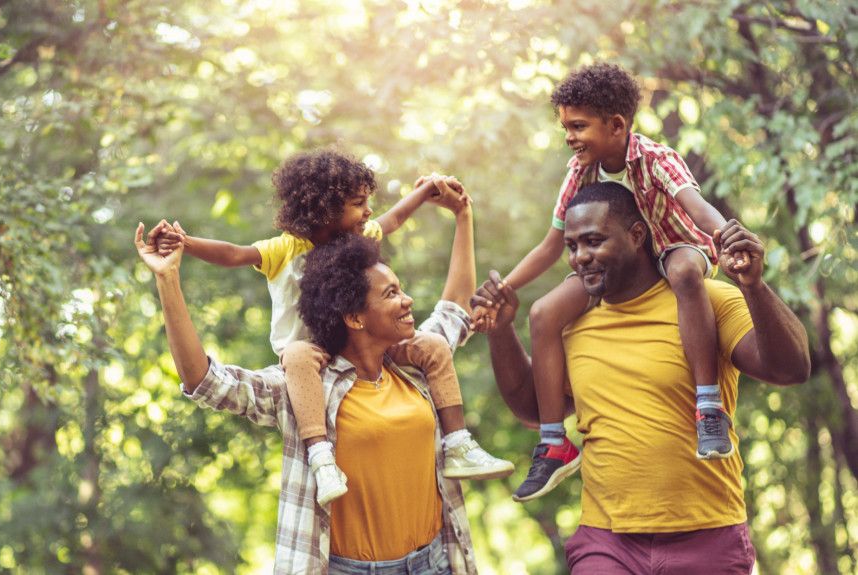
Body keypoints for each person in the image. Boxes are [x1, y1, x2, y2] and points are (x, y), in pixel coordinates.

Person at [473, 182, 810, 574]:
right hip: (607, 543)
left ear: (636, 235)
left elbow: (790, 368)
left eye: (594, 241)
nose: (580, 257)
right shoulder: (571, 326)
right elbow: (534, 410)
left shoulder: (705, 301)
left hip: (709, 536)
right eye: (572, 246)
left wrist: (754, 286)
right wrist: (501, 331)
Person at [156, 148, 511, 506]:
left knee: (433, 345)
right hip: (306, 358)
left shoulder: (407, 359)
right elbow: (233, 255)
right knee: (299, 355)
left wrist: (439, 198)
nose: (368, 211)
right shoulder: (287, 250)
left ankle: (458, 443)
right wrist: (182, 249)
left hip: (428, 542)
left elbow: (396, 222)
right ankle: (321, 458)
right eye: (358, 203)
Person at [135, 211, 483, 573]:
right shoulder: (306, 388)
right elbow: (205, 381)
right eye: (391, 293)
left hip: (434, 563)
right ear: (355, 318)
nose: (407, 300)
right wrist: (167, 278)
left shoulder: (417, 366)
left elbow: (455, 311)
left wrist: (463, 215)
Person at [479, 63, 746, 502]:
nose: (570, 137)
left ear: (617, 125)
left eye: (579, 126)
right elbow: (550, 246)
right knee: (544, 313)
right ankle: (553, 442)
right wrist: (502, 289)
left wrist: (728, 238)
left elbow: (696, 208)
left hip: (676, 247)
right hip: (615, 264)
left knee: (683, 273)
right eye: (566, 127)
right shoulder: (579, 171)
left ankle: (708, 406)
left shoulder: (655, 159)